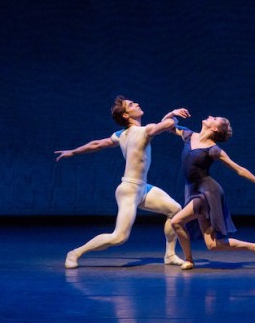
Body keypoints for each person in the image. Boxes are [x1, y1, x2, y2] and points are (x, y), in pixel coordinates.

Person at [54, 96, 190, 268]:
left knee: (175, 211)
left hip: (143, 188)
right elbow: (167, 125)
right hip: (129, 190)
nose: (137, 104)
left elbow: (97, 144)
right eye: (132, 105)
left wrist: (73, 152)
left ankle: (170, 255)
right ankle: (75, 253)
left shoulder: (121, 135)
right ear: (126, 115)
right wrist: (172, 114)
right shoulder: (143, 131)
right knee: (119, 237)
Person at [170, 116, 255, 270]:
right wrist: (172, 113)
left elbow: (239, 169)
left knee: (176, 221)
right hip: (192, 189)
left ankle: (189, 260)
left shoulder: (213, 149)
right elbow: (167, 125)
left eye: (215, 118)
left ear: (215, 128)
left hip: (207, 192)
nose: (210, 116)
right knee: (213, 245)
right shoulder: (189, 135)